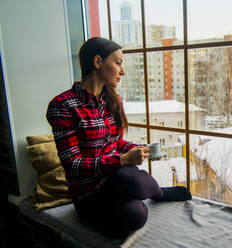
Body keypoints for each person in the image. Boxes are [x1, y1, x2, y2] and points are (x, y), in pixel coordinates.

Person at [46, 37, 192, 236]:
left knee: (129, 178)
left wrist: (141, 149)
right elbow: (73, 164)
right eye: (118, 63)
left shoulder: (113, 100)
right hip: (89, 193)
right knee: (136, 215)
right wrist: (122, 160)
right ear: (98, 62)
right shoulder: (63, 106)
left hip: (117, 179)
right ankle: (150, 193)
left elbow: (116, 142)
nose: (122, 71)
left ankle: (159, 193)